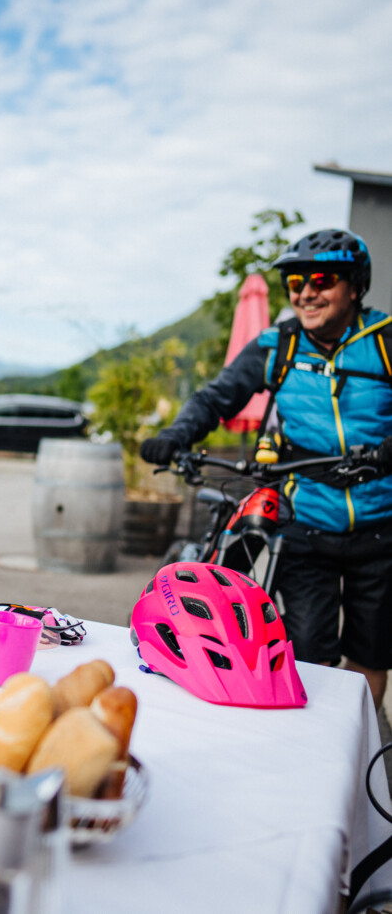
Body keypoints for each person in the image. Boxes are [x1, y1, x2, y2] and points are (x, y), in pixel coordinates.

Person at [140, 228, 392, 710]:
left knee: (368, 661)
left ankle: (358, 745)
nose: (305, 292)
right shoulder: (279, 344)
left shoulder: (383, 340)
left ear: (355, 287)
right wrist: (176, 435)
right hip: (307, 522)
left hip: (381, 526)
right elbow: (218, 395)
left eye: (322, 279)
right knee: (308, 660)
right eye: (295, 283)